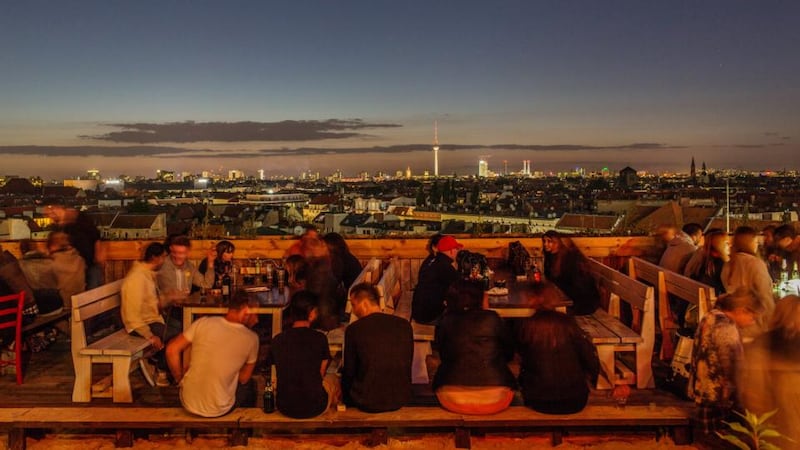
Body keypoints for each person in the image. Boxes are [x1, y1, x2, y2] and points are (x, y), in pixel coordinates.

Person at [166, 291, 259, 417]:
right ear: (245, 311)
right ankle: (241, 431)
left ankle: (193, 430)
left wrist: (180, 379)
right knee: (250, 386)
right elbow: (243, 378)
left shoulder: (203, 323)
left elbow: (172, 350)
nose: (257, 320)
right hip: (220, 408)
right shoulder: (252, 339)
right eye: (255, 314)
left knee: (193, 345)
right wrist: (230, 368)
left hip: (188, 402)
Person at [515, 282, 600, 414]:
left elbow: (524, 360)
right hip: (575, 399)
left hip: (539, 400)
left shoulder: (527, 326)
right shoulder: (567, 323)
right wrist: (595, 380)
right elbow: (588, 356)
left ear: (532, 299)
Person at [433, 279, 515, 414]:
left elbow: (443, 354)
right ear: (479, 298)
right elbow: (509, 354)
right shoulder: (493, 319)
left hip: (451, 397)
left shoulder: (446, 321)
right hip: (496, 397)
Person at [689, 288, 757, 437]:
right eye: (752, 317)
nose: (752, 322)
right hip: (717, 398)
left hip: (702, 392)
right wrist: (741, 398)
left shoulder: (710, 316)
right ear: (741, 310)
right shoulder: (727, 326)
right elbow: (734, 365)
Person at [342, 283, 413, 412]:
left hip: (366, 400)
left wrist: (345, 398)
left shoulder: (354, 330)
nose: (353, 310)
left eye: (353, 305)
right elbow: (408, 362)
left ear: (363, 303)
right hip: (400, 397)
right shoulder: (404, 325)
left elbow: (349, 370)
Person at [741, 295, 800, 448]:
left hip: (774, 423)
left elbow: (752, 391)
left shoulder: (763, 342)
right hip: (785, 420)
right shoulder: (774, 344)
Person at [269, 302, 339, 418]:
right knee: (335, 379)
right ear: (311, 314)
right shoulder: (320, 338)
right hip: (315, 407)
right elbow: (320, 374)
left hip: (285, 407)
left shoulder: (277, 339)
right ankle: (336, 420)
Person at [121, 242, 173, 387]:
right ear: (155, 258)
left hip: (152, 319)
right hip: (140, 325)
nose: (165, 260)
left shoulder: (147, 274)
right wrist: (149, 335)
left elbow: (150, 302)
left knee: (183, 326)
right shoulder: (136, 279)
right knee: (175, 336)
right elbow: (131, 315)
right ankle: (161, 370)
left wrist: (168, 298)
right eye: (163, 257)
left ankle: (163, 366)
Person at [721, 226, 774, 335]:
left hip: (734, 321)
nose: (757, 245)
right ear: (750, 243)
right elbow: (765, 295)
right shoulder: (755, 264)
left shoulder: (729, 265)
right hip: (752, 323)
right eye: (755, 242)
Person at [45, 204, 105, 289]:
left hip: (88, 266)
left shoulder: (80, 220)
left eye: (51, 211)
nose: (50, 216)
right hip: (78, 268)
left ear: (59, 208)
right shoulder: (59, 227)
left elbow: (96, 237)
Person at [541, 230, 600, 316]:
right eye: (544, 241)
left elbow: (577, 285)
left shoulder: (569, 258)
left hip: (583, 303)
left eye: (549, 241)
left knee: (547, 312)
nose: (545, 244)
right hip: (569, 298)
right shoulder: (551, 257)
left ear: (558, 243)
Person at [412, 235, 462, 324]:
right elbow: (461, 288)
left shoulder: (434, 261)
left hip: (420, 312)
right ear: (450, 251)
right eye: (456, 249)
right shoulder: (445, 267)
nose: (457, 252)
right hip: (429, 317)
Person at [156, 235, 215, 303]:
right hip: (164, 310)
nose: (177, 256)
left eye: (181, 253)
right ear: (170, 249)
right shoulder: (161, 265)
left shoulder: (190, 267)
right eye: (174, 252)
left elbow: (206, 285)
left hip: (184, 309)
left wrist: (210, 262)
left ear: (188, 253)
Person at [17, 239, 63, 316]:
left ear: (21, 250)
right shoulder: (50, 261)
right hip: (58, 304)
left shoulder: (19, 265)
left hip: (39, 308)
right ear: (35, 248)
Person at [323, 232, 363, 312]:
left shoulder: (339, 261)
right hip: (354, 294)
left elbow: (333, 284)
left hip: (349, 302)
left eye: (323, 246)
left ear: (330, 246)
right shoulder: (346, 256)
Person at [46, 231, 86, 309]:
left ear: (52, 246)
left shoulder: (52, 264)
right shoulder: (80, 260)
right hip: (81, 305)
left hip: (64, 308)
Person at [684, 228, 729, 296]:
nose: (730, 246)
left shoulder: (705, 260)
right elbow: (728, 289)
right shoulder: (721, 264)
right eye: (726, 243)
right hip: (714, 301)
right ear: (719, 245)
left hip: (700, 298)